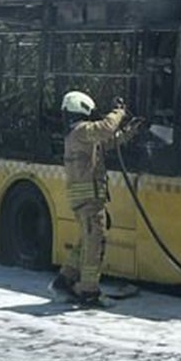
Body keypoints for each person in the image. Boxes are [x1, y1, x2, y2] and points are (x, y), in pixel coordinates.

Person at [48, 91, 129, 308]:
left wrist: (130, 131)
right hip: (88, 200)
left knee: (86, 241)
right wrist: (119, 111)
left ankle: (64, 281)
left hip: (86, 199)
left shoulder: (80, 135)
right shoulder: (81, 131)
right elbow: (106, 128)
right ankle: (89, 292)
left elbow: (107, 141)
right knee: (95, 244)